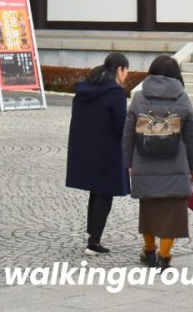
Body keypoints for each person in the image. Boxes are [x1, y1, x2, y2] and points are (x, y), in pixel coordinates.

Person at [125, 55, 193, 269]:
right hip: (176, 165)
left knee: (148, 208)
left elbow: (128, 134)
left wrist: (128, 162)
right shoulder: (182, 99)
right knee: (174, 211)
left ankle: (148, 251)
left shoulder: (139, 98)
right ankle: (164, 256)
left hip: (144, 163)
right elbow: (191, 138)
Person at [66, 52, 130, 255]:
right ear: (119, 69)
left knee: (96, 192)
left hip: (86, 148)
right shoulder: (115, 93)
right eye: (126, 71)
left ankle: (92, 235)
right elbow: (122, 125)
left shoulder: (85, 88)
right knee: (104, 193)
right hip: (108, 150)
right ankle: (94, 241)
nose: (126, 76)